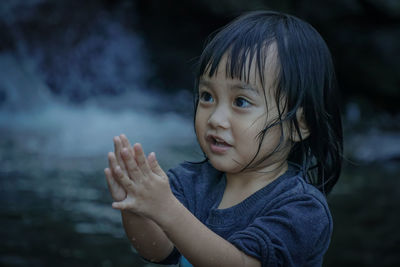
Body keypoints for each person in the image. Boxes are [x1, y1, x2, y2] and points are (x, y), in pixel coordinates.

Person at [104, 10, 343, 267]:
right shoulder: (188, 183)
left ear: (299, 125)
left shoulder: (303, 209)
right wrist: (136, 208)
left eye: (240, 101)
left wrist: (167, 211)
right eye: (207, 96)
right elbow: (157, 251)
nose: (216, 118)